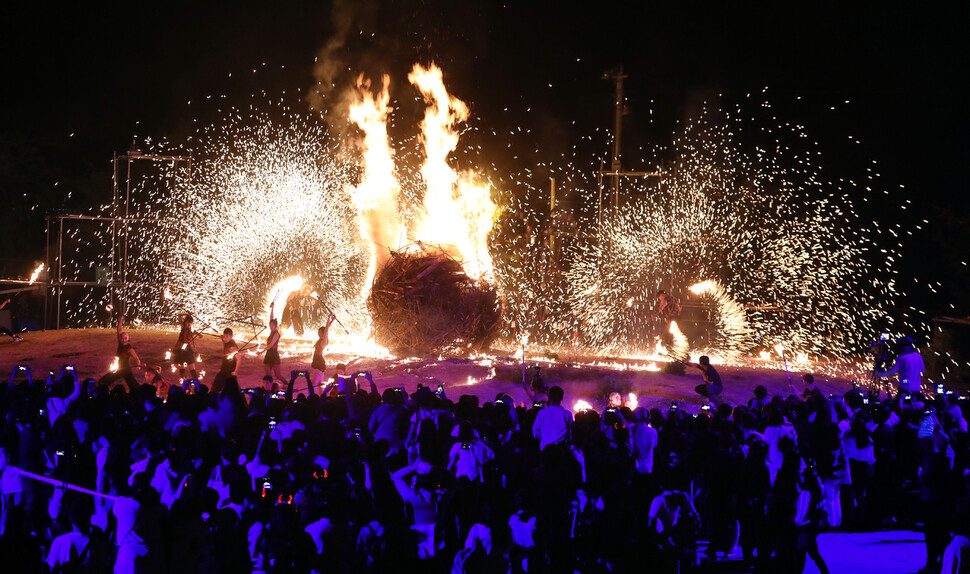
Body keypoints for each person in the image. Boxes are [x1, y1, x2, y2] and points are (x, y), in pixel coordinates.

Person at [532, 386, 573, 451]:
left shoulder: (542, 413)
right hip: (562, 450)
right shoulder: (567, 414)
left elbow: (536, 433)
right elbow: (571, 433)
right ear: (562, 397)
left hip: (545, 449)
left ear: (549, 397)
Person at [259, 303, 286, 386]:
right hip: (268, 355)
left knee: (278, 376)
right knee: (268, 376)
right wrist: (272, 308)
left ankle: (289, 386)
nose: (270, 326)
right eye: (270, 325)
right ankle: (269, 389)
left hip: (274, 355)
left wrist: (262, 351)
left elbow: (271, 345)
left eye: (272, 325)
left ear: (276, 326)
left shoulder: (276, 334)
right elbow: (271, 318)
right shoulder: (271, 331)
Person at [310, 313, 336, 390]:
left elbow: (326, 330)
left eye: (319, 332)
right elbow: (326, 329)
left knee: (314, 385)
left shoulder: (323, 342)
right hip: (318, 363)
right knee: (318, 384)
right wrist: (332, 321)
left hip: (319, 364)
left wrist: (328, 318)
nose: (318, 334)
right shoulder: (321, 340)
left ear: (322, 333)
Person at [211, 328, 239, 395]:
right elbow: (225, 346)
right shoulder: (227, 343)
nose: (225, 338)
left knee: (228, 386)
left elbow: (239, 358)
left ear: (231, 336)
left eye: (227, 337)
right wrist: (222, 339)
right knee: (221, 385)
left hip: (230, 370)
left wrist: (235, 371)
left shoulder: (232, 347)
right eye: (224, 336)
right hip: (225, 368)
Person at [172, 314, 198, 379]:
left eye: (191, 323)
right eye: (188, 322)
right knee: (181, 369)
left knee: (192, 368)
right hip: (179, 349)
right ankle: (184, 382)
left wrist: (197, 334)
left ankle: (197, 384)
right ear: (185, 322)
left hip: (187, 349)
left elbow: (191, 336)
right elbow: (179, 314)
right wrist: (187, 314)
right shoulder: (183, 327)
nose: (189, 324)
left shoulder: (190, 331)